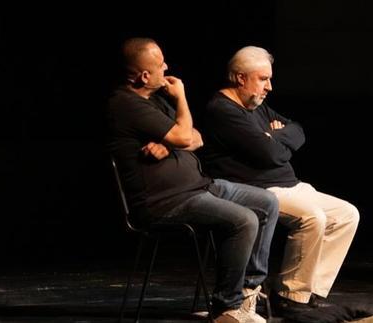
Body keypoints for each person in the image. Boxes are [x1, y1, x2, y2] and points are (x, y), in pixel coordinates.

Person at [105, 38, 278, 323]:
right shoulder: (126, 104)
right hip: (164, 202)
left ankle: (247, 289)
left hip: (198, 187)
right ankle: (227, 307)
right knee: (244, 219)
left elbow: (196, 137)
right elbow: (186, 135)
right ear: (145, 75)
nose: (167, 68)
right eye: (161, 64)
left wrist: (170, 143)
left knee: (267, 202)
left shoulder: (157, 99)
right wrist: (181, 98)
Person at [199, 47, 360, 317]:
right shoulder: (223, 110)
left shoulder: (256, 106)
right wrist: (274, 141)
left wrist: (274, 136)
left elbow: (297, 130)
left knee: (347, 214)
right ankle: (289, 295)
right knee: (313, 218)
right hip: (259, 190)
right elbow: (269, 154)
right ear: (240, 78)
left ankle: (310, 294)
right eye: (263, 79)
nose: (269, 87)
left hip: (290, 185)